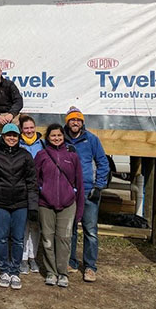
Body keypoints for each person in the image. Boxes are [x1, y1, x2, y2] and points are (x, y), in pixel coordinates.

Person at [0, 124, 38, 290]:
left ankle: (15, 271)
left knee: (18, 239)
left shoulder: (25, 156)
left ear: (18, 137)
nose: (11, 138)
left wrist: (33, 205)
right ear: (3, 137)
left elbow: (32, 183)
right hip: (0, 203)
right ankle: (4, 269)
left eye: (14, 135)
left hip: (21, 203)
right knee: (2, 238)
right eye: (8, 135)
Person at [64, 106, 110, 283]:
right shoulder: (62, 138)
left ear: (82, 122)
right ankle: (71, 262)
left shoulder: (91, 139)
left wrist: (99, 187)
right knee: (71, 229)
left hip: (89, 192)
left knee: (90, 231)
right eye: (72, 119)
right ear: (67, 122)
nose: (75, 122)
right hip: (70, 192)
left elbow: (103, 163)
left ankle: (90, 267)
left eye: (78, 120)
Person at [35, 124, 84, 288]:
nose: (56, 138)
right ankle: (51, 271)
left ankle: (63, 272)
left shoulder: (72, 156)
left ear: (64, 137)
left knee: (64, 239)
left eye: (59, 135)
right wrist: (42, 191)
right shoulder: (42, 155)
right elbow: (35, 180)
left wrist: (79, 210)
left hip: (68, 203)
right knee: (47, 238)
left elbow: (79, 183)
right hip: (45, 204)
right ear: (47, 138)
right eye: (53, 136)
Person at [18, 114, 45, 275]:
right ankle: (22, 257)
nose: (29, 131)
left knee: (35, 225)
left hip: (39, 189)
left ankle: (33, 256)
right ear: (21, 129)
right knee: (23, 225)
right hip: (22, 188)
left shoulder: (42, 144)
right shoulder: (18, 143)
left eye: (31, 128)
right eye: (26, 128)